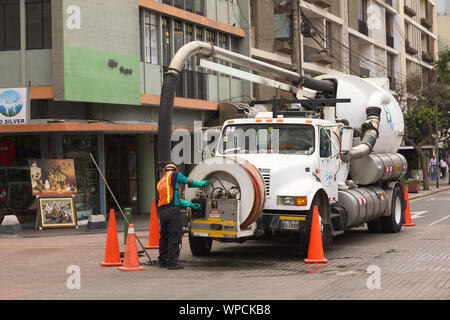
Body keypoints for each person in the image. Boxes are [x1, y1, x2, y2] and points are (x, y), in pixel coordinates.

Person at [156, 164, 209, 270]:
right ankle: (172, 263)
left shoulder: (161, 182)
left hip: (162, 212)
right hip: (172, 212)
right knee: (174, 236)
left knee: (164, 237)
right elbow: (188, 182)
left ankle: (162, 261)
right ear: (175, 170)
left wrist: (190, 204)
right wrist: (200, 183)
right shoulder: (175, 175)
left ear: (164, 171)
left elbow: (173, 200)